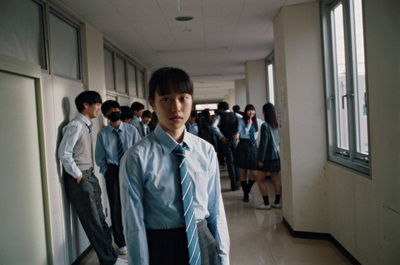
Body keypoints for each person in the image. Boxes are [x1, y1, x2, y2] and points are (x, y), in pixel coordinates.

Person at [119, 67, 230, 265]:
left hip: (202, 238)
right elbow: (133, 223)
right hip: (162, 245)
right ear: (152, 103)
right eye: (166, 99)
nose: (176, 108)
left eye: (183, 98)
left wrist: (223, 257)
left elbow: (216, 209)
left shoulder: (205, 151)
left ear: (191, 100)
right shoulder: (136, 157)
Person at [58, 91, 127, 265]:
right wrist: (79, 175)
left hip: (88, 175)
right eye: (96, 104)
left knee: (101, 220)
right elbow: (64, 153)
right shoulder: (76, 125)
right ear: (85, 105)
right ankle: (108, 260)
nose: (99, 108)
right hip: (80, 177)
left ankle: (111, 257)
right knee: (94, 223)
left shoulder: (85, 125)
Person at [95, 100, 142, 255]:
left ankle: (136, 236)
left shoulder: (132, 130)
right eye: (110, 111)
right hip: (113, 171)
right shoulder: (103, 133)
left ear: (120, 111)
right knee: (115, 206)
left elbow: (139, 151)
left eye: (116, 109)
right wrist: (106, 171)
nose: (114, 112)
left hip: (130, 169)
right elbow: (99, 157)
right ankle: (120, 242)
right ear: (106, 115)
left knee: (134, 202)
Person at [234, 104, 264, 202]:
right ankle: (246, 194)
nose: (251, 112)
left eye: (253, 110)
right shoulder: (241, 121)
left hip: (253, 146)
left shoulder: (259, 122)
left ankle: (247, 189)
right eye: (249, 110)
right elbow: (241, 134)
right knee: (243, 172)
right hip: (243, 145)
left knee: (254, 173)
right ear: (246, 111)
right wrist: (249, 125)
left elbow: (266, 125)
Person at [255, 103, 281, 210]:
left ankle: (266, 203)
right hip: (277, 155)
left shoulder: (265, 125)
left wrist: (260, 159)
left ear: (265, 112)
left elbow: (263, 143)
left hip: (268, 157)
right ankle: (277, 202)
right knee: (275, 178)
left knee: (260, 179)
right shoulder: (277, 124)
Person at [211, 101, 241, 191]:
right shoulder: (236, 115)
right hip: (235, 140)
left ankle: (233, 184)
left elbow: (213, 126)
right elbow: (242, 122)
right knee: (237, 161)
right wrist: (238, 133)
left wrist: (221, 136)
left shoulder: (220, 116)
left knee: (230, 162)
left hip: (226, 141)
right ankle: (239, 181)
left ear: (221, 109)